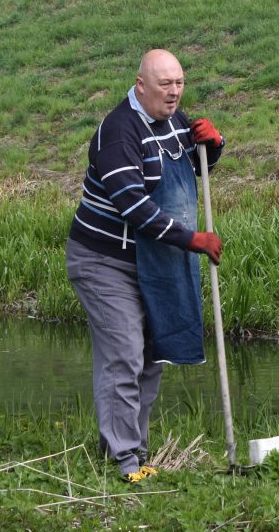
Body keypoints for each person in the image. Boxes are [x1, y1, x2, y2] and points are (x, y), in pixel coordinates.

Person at [65, 48, 225, 484]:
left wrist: (213, 147)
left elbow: (190, 169)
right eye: (164, 86)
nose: (174, 94)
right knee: (125, 353)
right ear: (141, 86)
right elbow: (135, 206)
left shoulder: (173, 119)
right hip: (103, 261)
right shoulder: (118, 133)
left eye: (179, 84)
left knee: (152, 355)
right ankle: (125, 462)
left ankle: (132, 447)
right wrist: (192, 240)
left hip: (151, 260)